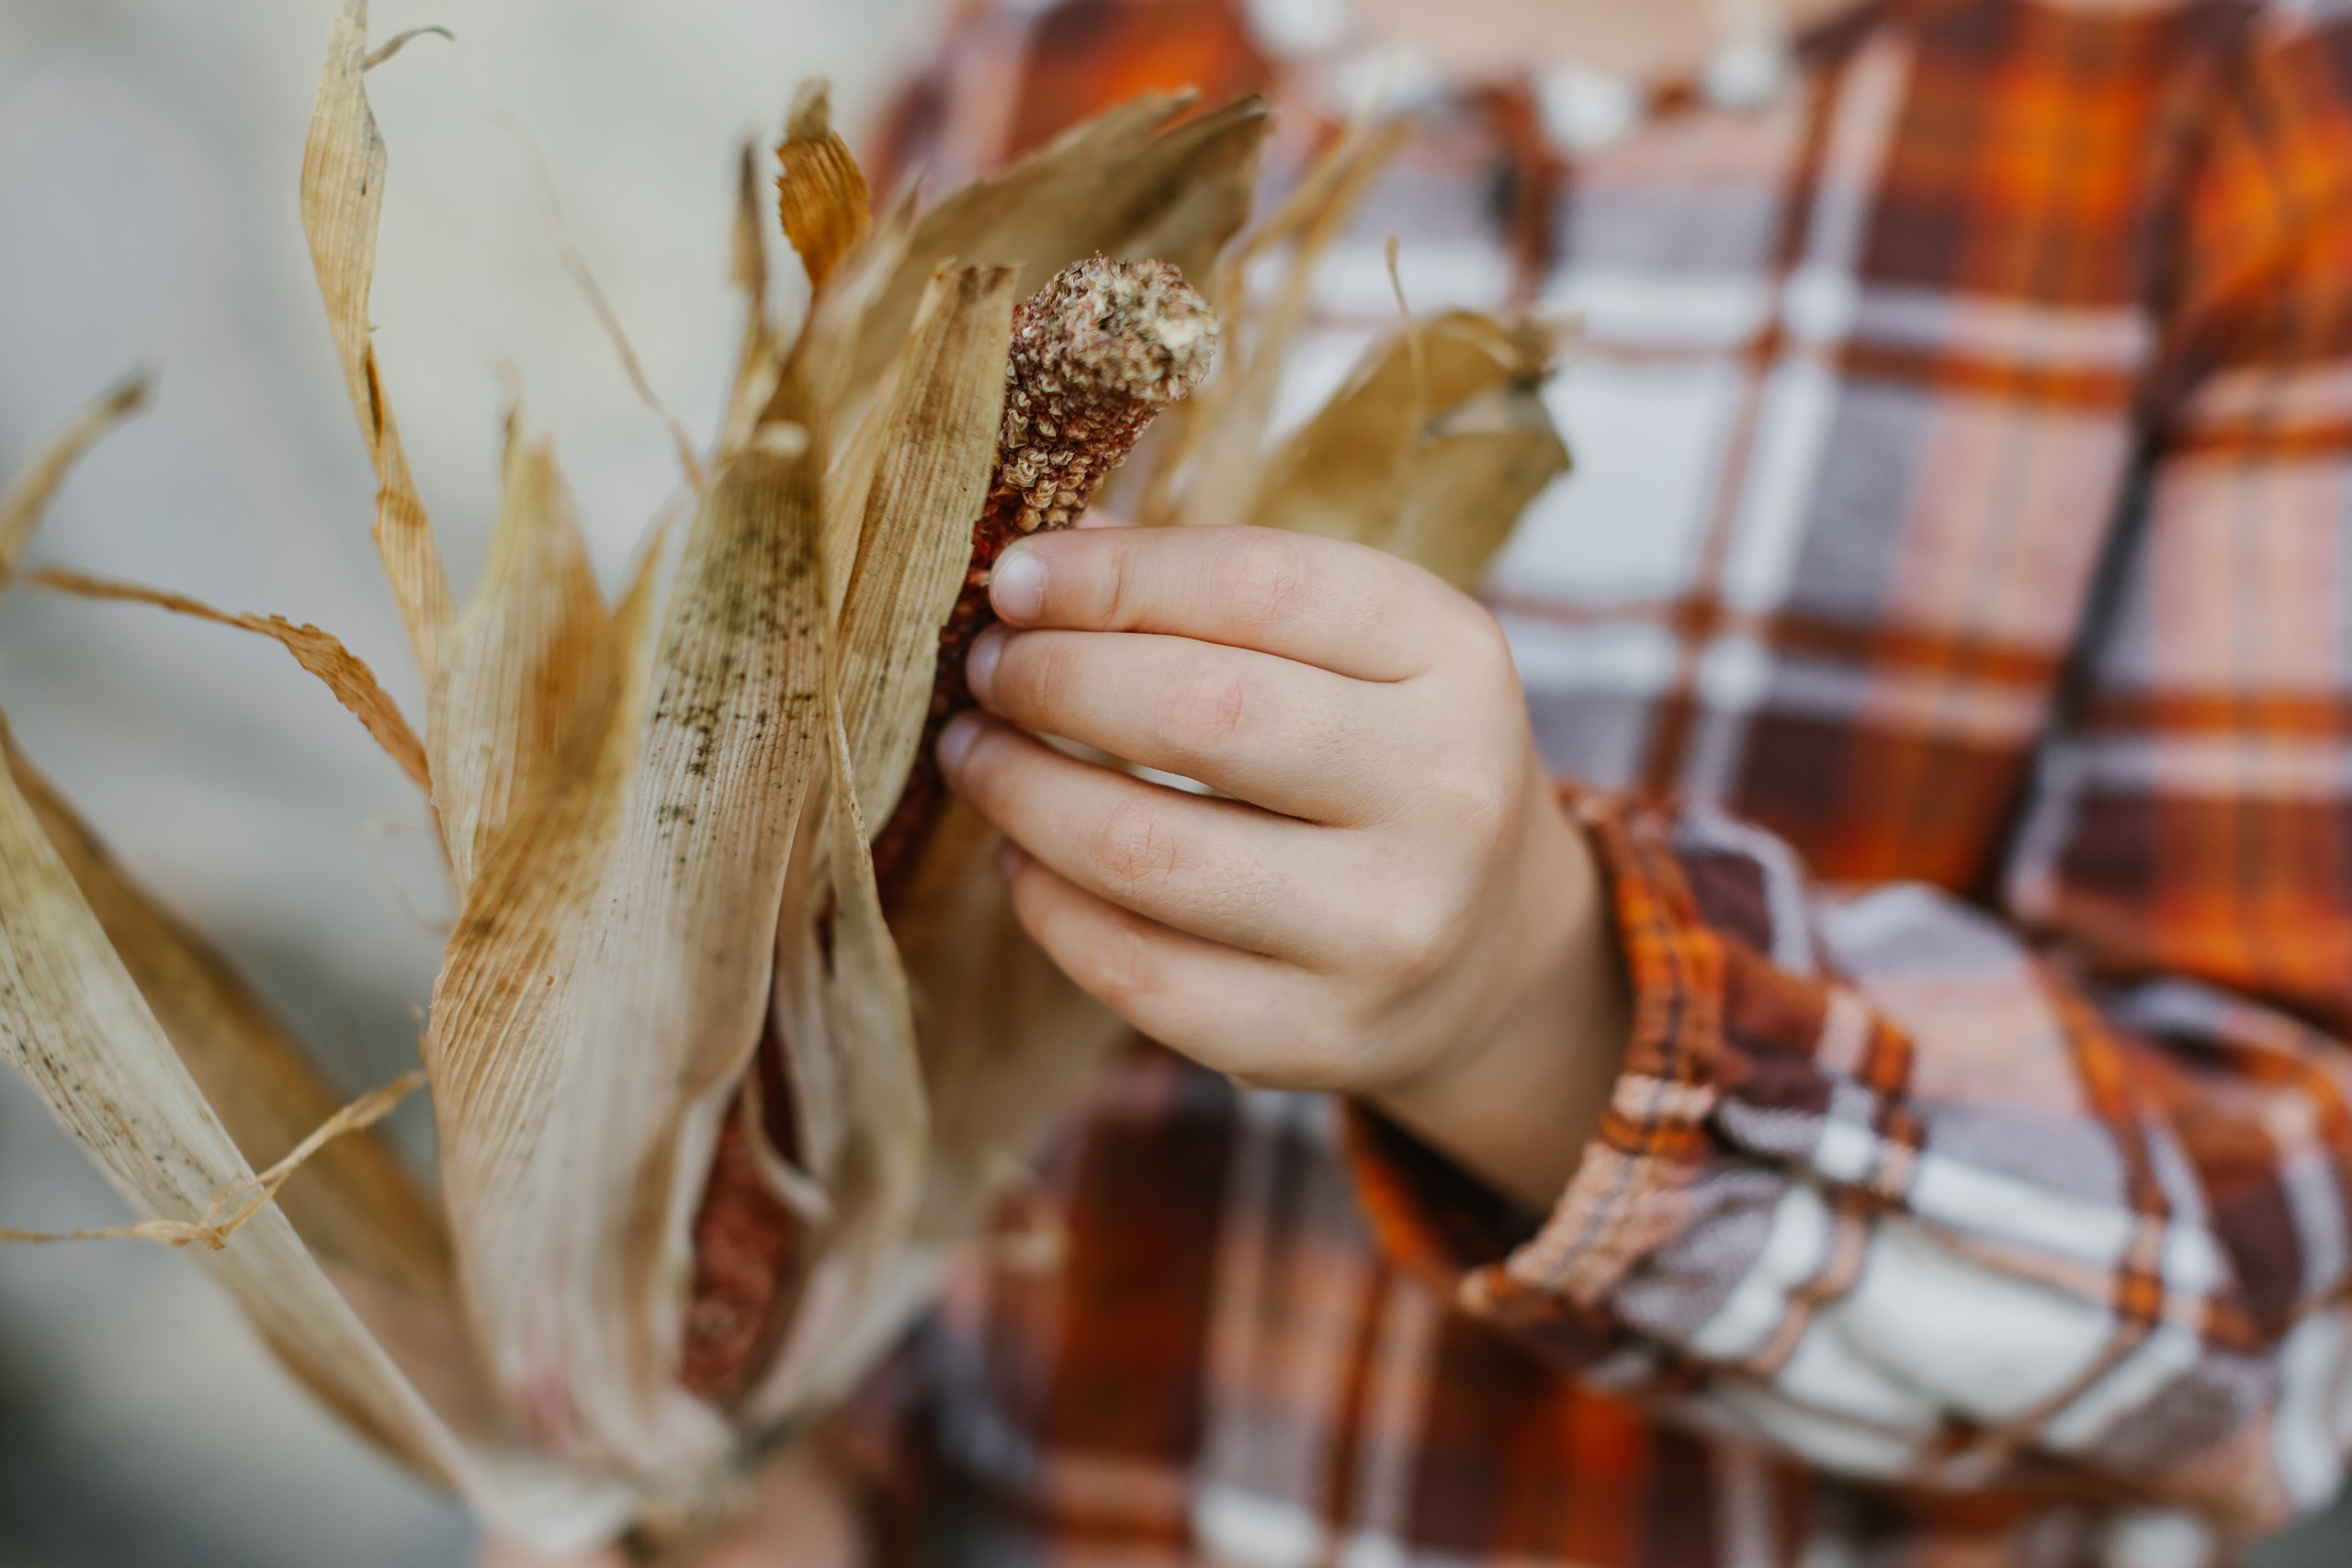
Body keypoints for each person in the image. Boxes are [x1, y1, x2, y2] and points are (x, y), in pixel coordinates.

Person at [495, 0, 2352, 1562]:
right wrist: (760, 1456)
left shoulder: (2233, 132)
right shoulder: (1034, 66)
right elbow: (847, 990)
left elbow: (2276, 1315)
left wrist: (1533, 1002)